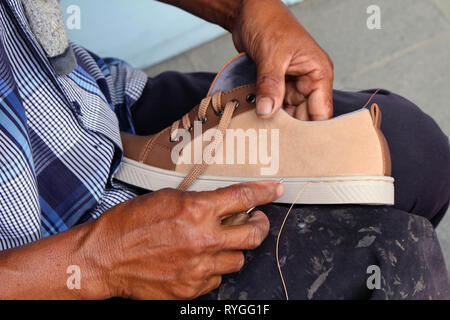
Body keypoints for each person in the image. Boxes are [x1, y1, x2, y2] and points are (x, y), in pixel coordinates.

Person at [0, 0, 448, 299]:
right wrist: (96, 262)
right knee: (393, 262)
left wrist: (245, 8)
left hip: (92, 107)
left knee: (417, 151)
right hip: (48, 260)